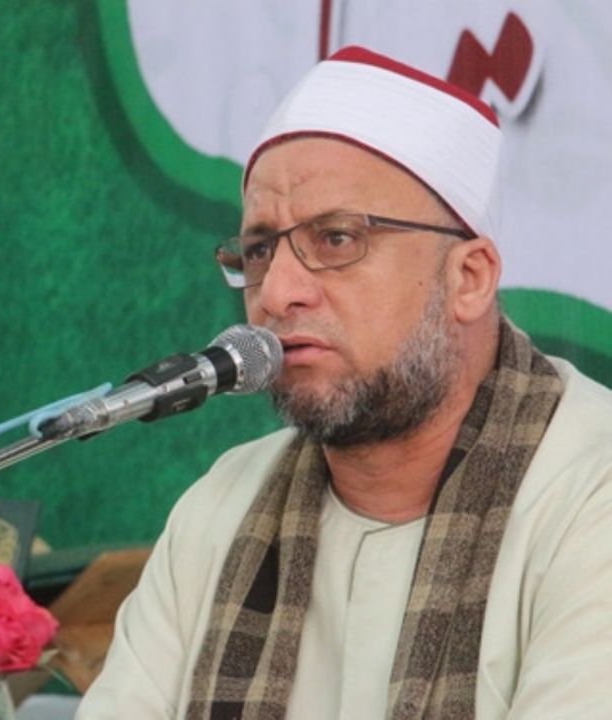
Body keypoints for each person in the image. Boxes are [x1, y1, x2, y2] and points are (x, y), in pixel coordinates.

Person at [76, 47, 612, 719]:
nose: (278, 293)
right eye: (260, 250)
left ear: (469, 278)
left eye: (336, 238)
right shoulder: (220, 508)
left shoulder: (590, 494)